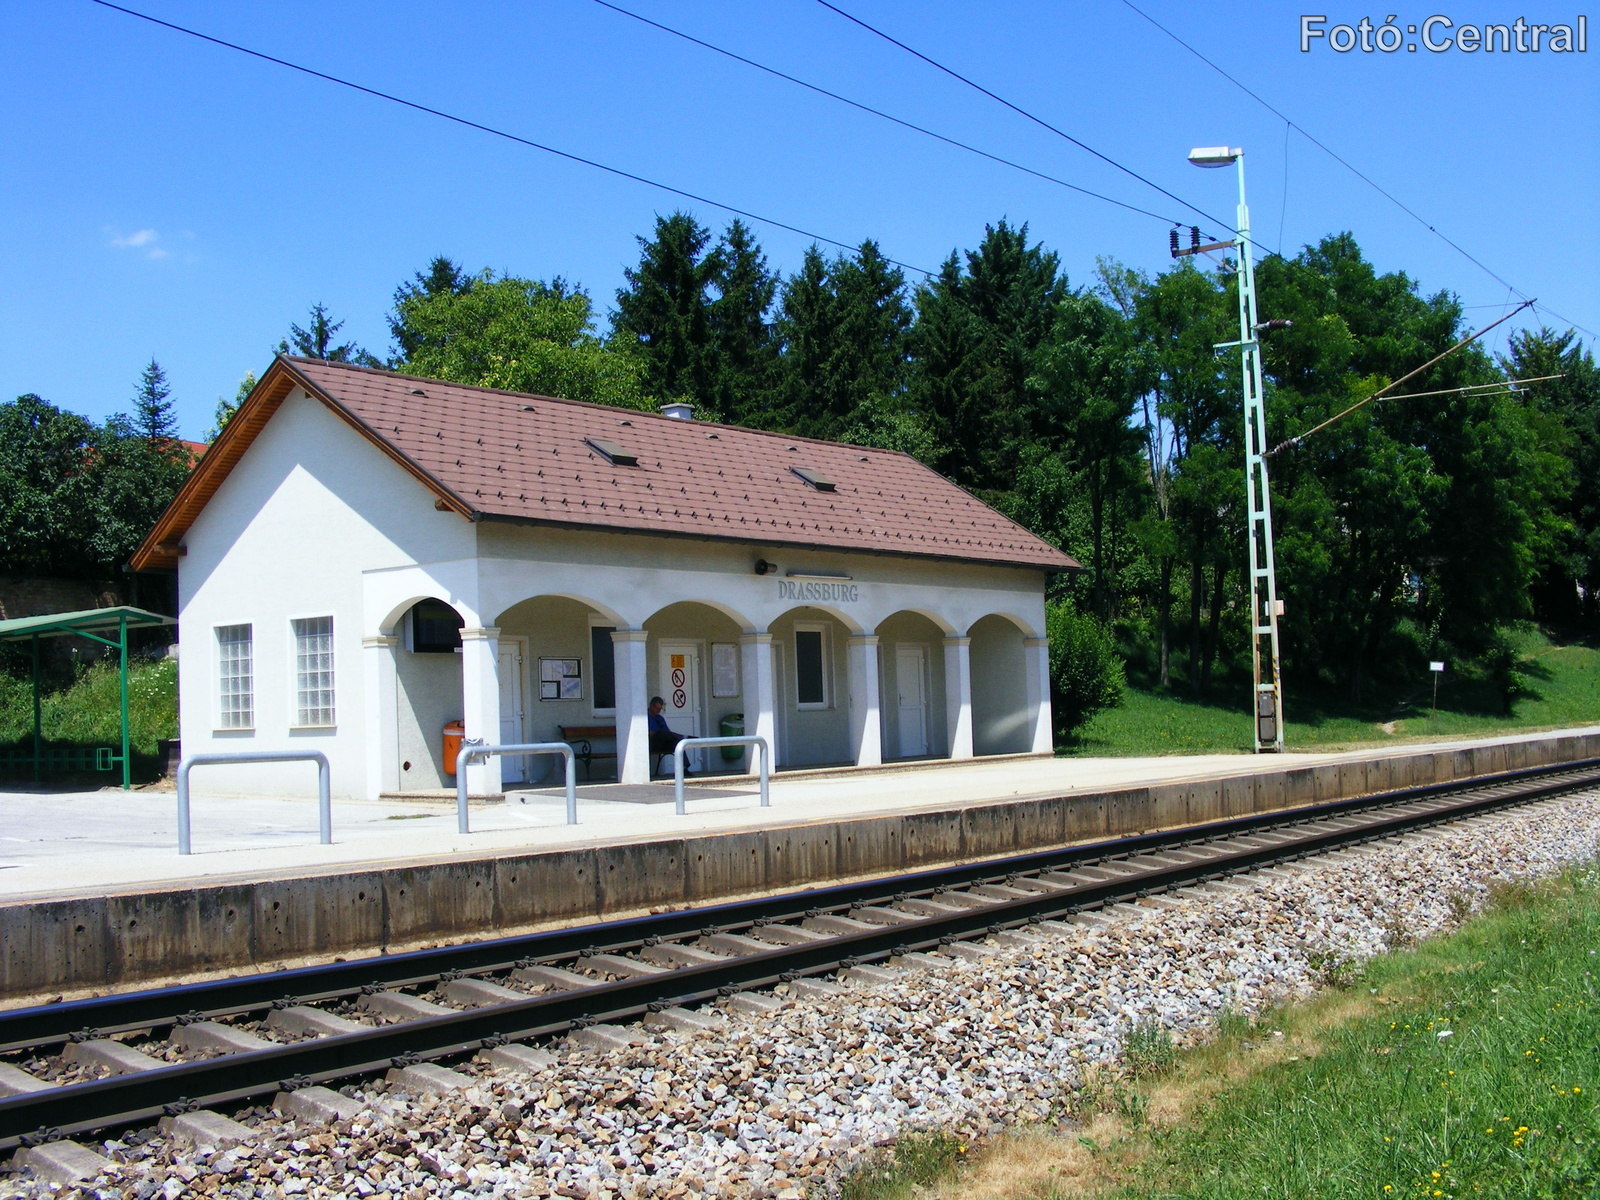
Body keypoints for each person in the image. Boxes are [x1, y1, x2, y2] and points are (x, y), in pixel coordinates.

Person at [648, 696, 689, 773]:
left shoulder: (660, 718)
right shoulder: (644, 717)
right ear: (651, 705)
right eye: (657, 708)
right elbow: (644, 732)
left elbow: (668, 732)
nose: (658, 711)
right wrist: (656, 733)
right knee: (661, 733)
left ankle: (684, 768)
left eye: (660, 709)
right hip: (651, 743)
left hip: (663, 742)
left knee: (678, 743)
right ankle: (683, 737)